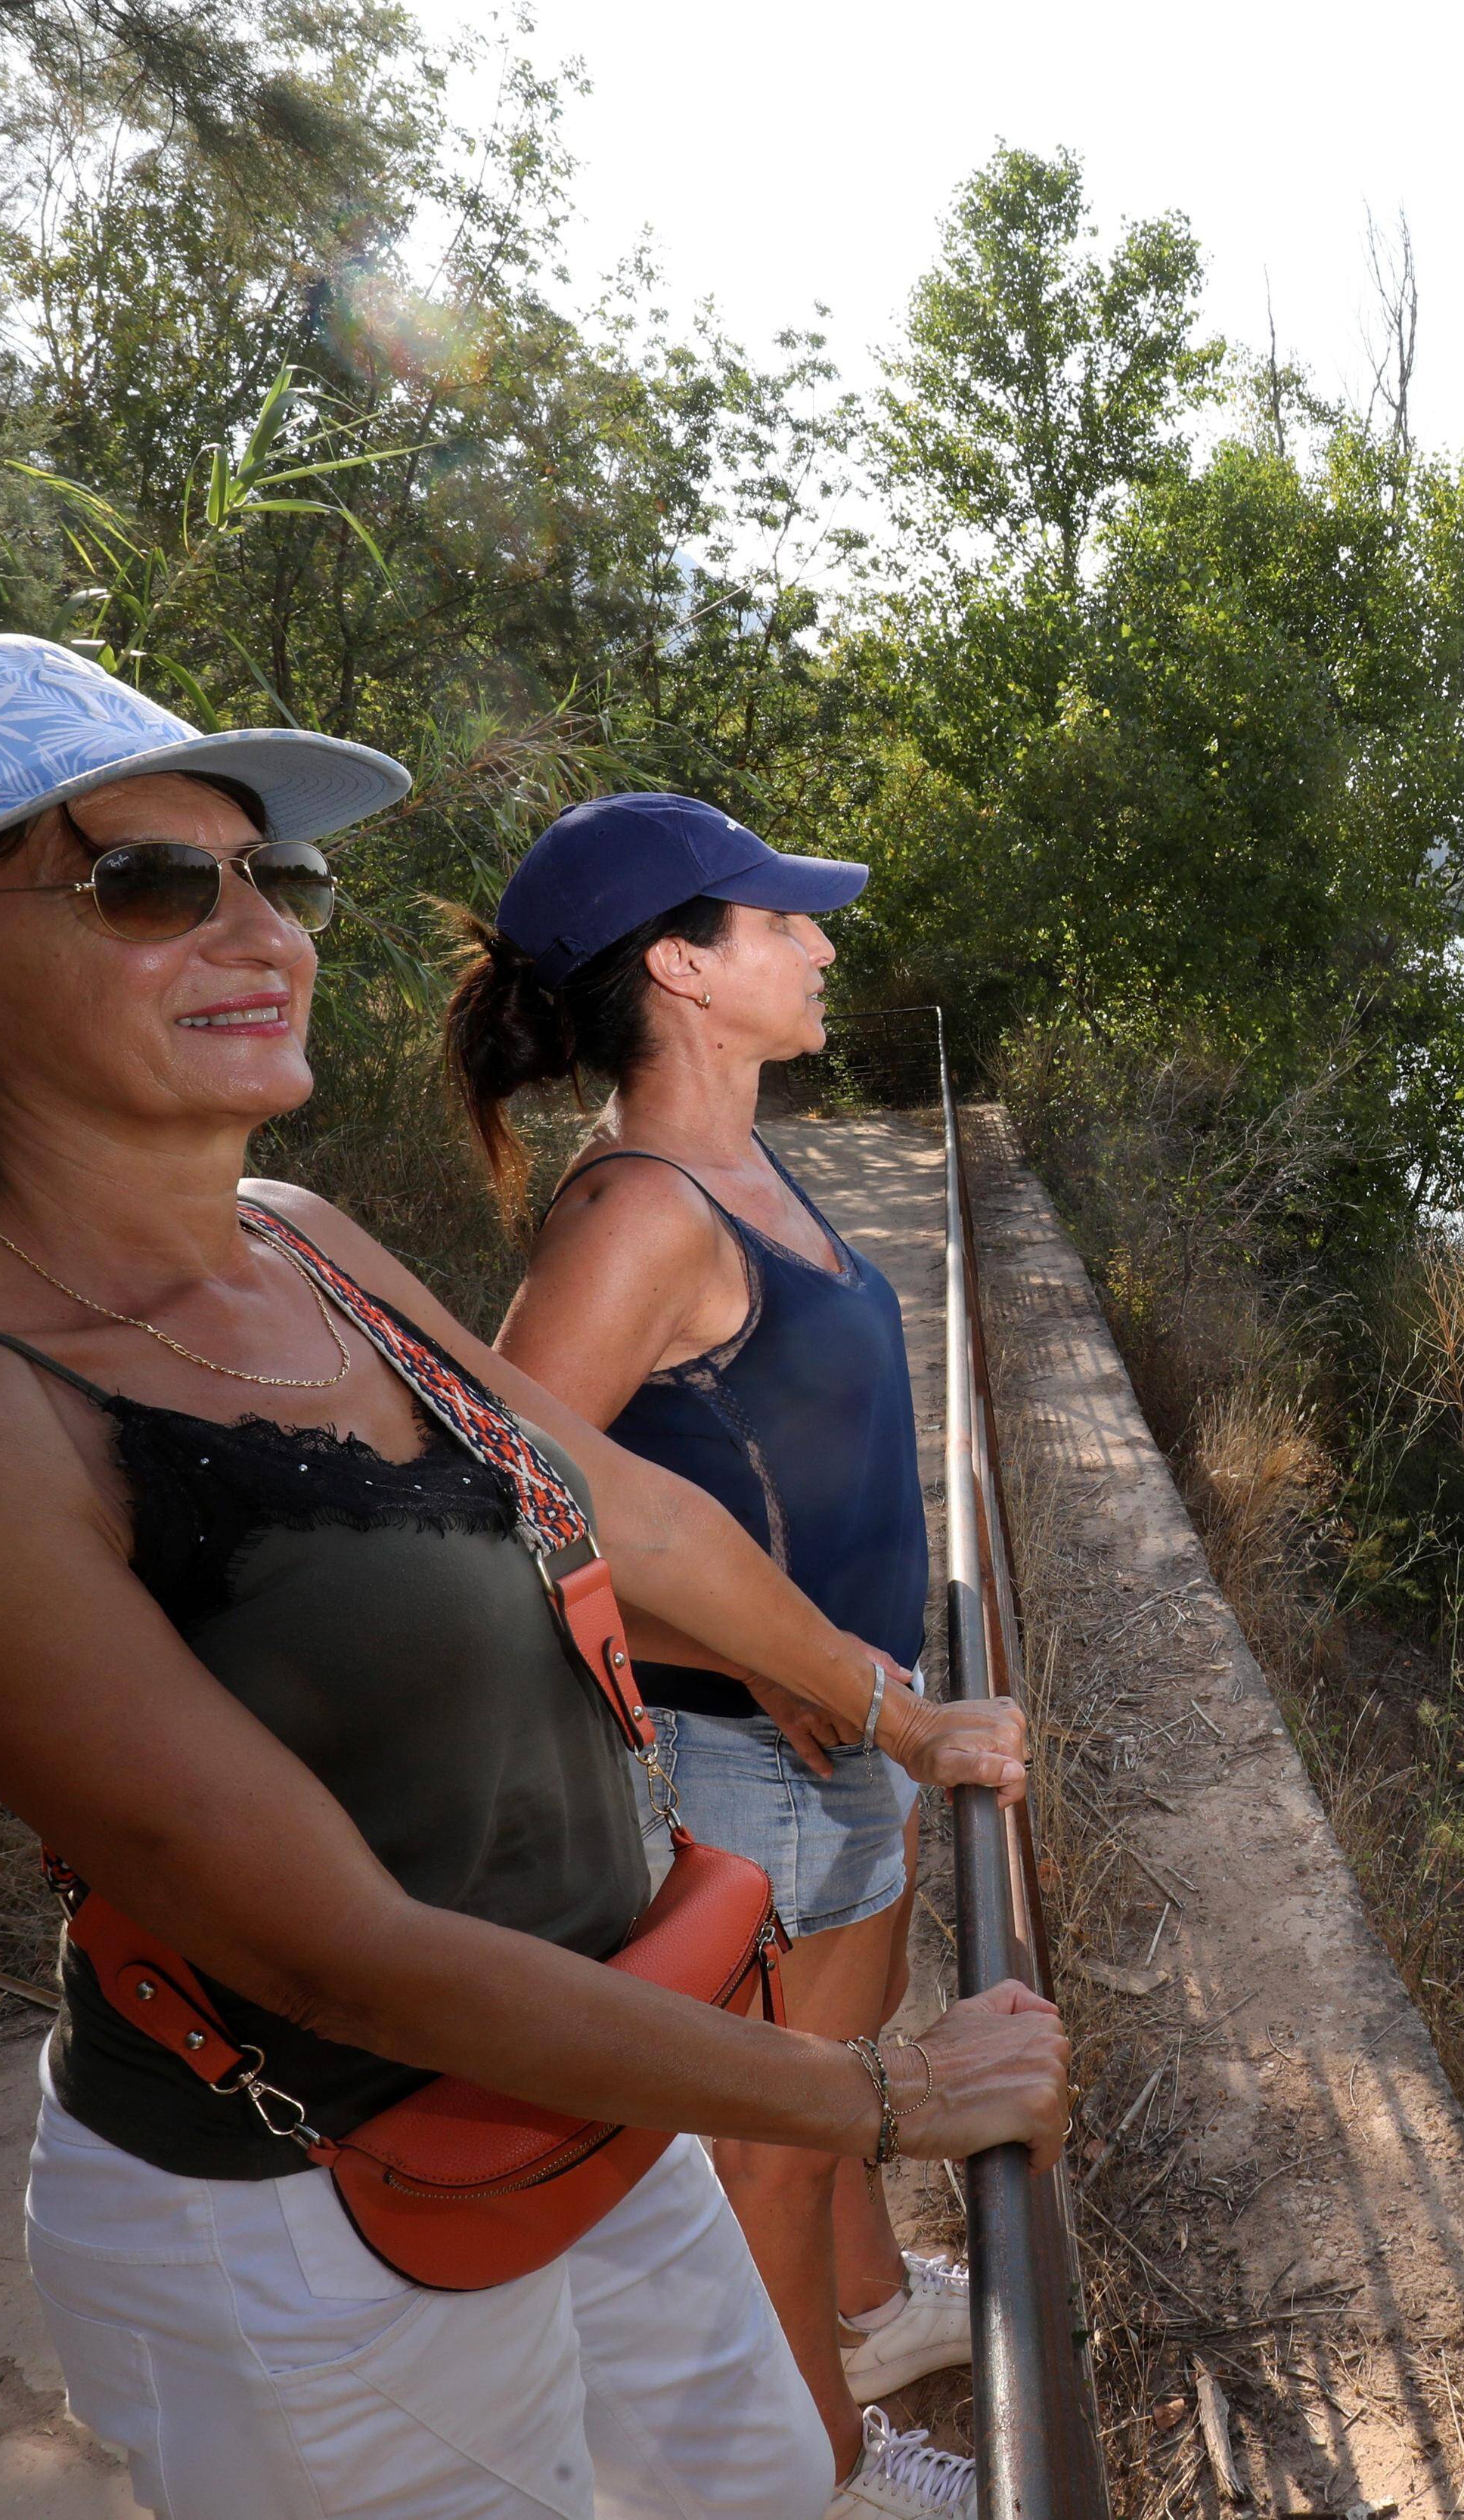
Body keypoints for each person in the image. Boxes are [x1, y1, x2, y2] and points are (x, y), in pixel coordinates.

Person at [0, 636, 1053, 2520]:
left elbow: (628, 1508)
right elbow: (320, 1943)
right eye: (145, 882)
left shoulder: (304, 1239)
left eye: (272, 873)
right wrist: (880, 2102)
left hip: (600, 2078)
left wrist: (902, 1713)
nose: (259, 931)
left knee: (758, 2483)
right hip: (299, 2230)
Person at [445, 792, 958, 2470]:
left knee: (830, 2089)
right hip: (746, 1756)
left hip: (823, 1727)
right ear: (682, 962)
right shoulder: (642, 1211)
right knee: (771, 2148)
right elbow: (512, 1504)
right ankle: (819, 2480)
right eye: (782, 919)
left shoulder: (733, 1155)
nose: (821, 942)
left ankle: (870, 2321)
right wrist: (766, 1659)